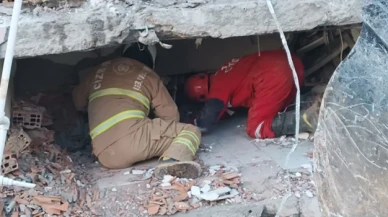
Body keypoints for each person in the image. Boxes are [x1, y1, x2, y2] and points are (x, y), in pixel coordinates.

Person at [72, 43, 202, 178]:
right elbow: (170, 116)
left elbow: (78, 102)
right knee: (190, 131)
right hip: (136, 144)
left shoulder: (96, 72)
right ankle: (171, 162)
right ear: (152, 59)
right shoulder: (149, 75)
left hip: (105, 155)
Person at [184, 50, 320, 139]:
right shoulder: (223, 72)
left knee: (255, 127)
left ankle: (306, 119)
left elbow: (206, 122)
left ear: (202, 97)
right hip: (293, 63)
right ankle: (317, 99)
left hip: (273, 75)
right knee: (281, 107)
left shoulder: (217, 89)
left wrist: (188, 125)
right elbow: (227, 111)